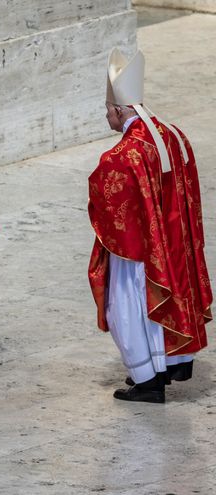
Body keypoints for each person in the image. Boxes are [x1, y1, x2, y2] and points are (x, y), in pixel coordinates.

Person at [88, 48, 210, 403]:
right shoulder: (172, 135)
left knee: (126, 304)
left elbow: (109, 208)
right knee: (166, 296)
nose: (107, 115)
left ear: (120, 110)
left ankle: (147, 379)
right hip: (172, 241)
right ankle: (173, 361)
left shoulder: (122, 156)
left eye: (108, 110)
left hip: (138, 249)